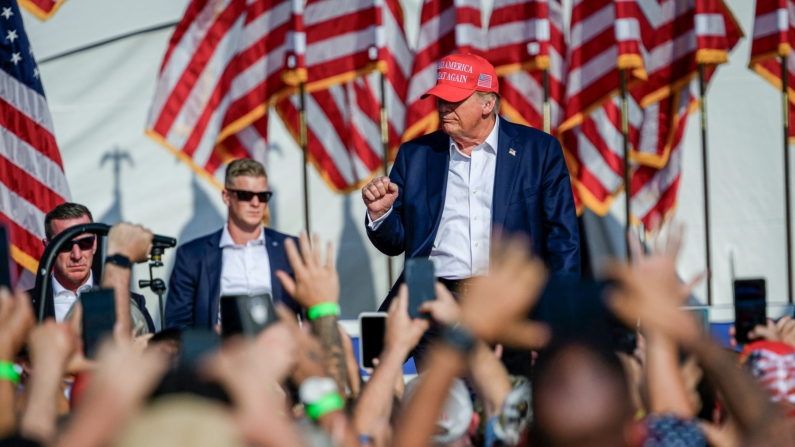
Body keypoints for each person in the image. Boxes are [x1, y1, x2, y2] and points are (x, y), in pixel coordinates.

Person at [362, 52, 580, 310]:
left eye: (453, 99)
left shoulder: (538, 151)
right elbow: (395, 242)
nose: (443, 107)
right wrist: (381, 215)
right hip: (430, 301)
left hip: (510, 303)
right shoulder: (416, 155)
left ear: (487, 104)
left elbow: (563, 239)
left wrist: (561, 312)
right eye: (441, 99)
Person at [165, 159, 299, 329]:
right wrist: (211, 338)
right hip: (220, 352)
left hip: (281, 351)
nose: (256, 203)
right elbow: (176, 325)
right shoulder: (192, 255)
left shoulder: (292, 249)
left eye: (263, 196)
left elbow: (312, 313)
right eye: (246, 195)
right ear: (227, 197)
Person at [28, 203, 155, 333]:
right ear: (48, 247)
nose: (76, 255)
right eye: (65, 244)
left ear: (94, 244)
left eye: (85, 243)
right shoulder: (24, 309)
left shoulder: (133, 303)